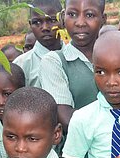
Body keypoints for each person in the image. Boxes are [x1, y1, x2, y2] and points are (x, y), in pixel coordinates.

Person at [39, 0, 106, 133]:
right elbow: (66, 119)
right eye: (72, 14)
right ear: (63, 17)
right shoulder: (54, 62)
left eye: (90, 15)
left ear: (103, 19)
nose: (80, 23)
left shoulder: (114, 55)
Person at [13, 0, 63, 87]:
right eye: (37, 22)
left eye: (52, 20)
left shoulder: (76, 57)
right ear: (30, 24)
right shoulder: (21, 65)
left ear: (63, 20)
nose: (45, 28)